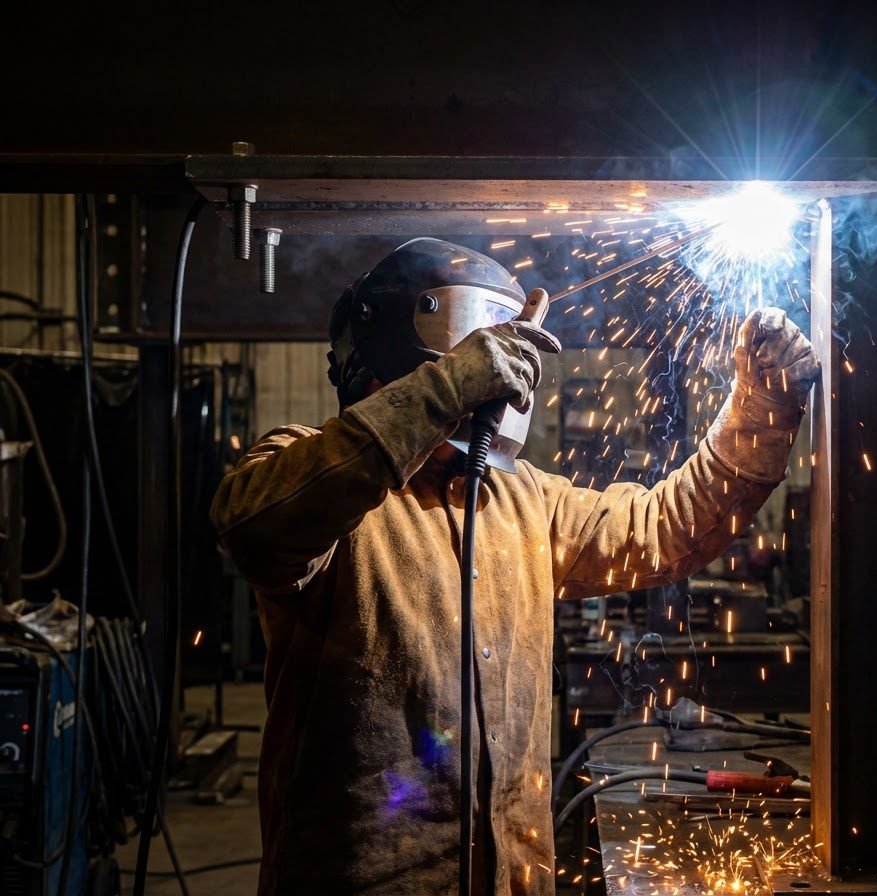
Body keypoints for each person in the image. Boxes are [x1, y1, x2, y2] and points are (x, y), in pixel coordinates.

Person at [210, 238, 819, 896]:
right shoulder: (318, 475)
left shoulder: (525, 501)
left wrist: (762, 408)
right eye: (477, 357)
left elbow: (664, 529)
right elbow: (254, 525)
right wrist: (440, 393)